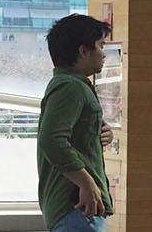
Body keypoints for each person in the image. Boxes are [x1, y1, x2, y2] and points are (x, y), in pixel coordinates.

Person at [37, 14, 116, 232]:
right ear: (83, 51)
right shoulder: (70, 87)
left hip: (75, 211)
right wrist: (86, 183)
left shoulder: (72, 85)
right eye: (100, 46)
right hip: (76, 209)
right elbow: (51, 140)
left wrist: (101, 133)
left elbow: (67, 135)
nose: (104, 54)